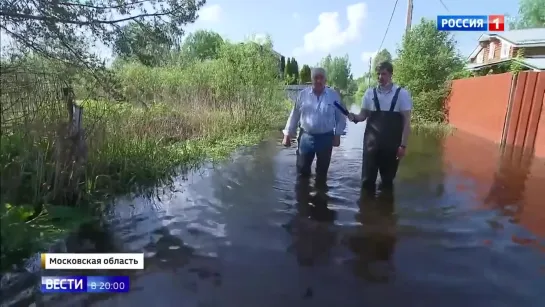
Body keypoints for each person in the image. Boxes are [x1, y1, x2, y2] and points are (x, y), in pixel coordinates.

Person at [347, 61, 412, 194]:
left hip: (391, 146)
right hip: (371, 145)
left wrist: (403, 146)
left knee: (387, 183)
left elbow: (406, 122)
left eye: (384, 74)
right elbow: (363, 115)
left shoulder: (402, 94)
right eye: (378, 74)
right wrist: (354, 117)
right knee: (367, 182)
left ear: (391, 75)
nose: (380, 77)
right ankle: (366, 211)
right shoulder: (369, 93)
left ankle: (385, 212)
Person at [282, 67, 347, 180]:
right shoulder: (303, 95)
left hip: (326, 138)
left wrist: (338, 135)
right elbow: (294, 115)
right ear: (311, 79)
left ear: (325, 80)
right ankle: (302, 196)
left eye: (321, 78)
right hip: (306, 138)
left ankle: (320, 195)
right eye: (316, 78)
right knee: (302, 172)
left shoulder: (333, 96)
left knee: (322, 173)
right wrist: (287, 134)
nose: (318, 81)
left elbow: (340, 117)